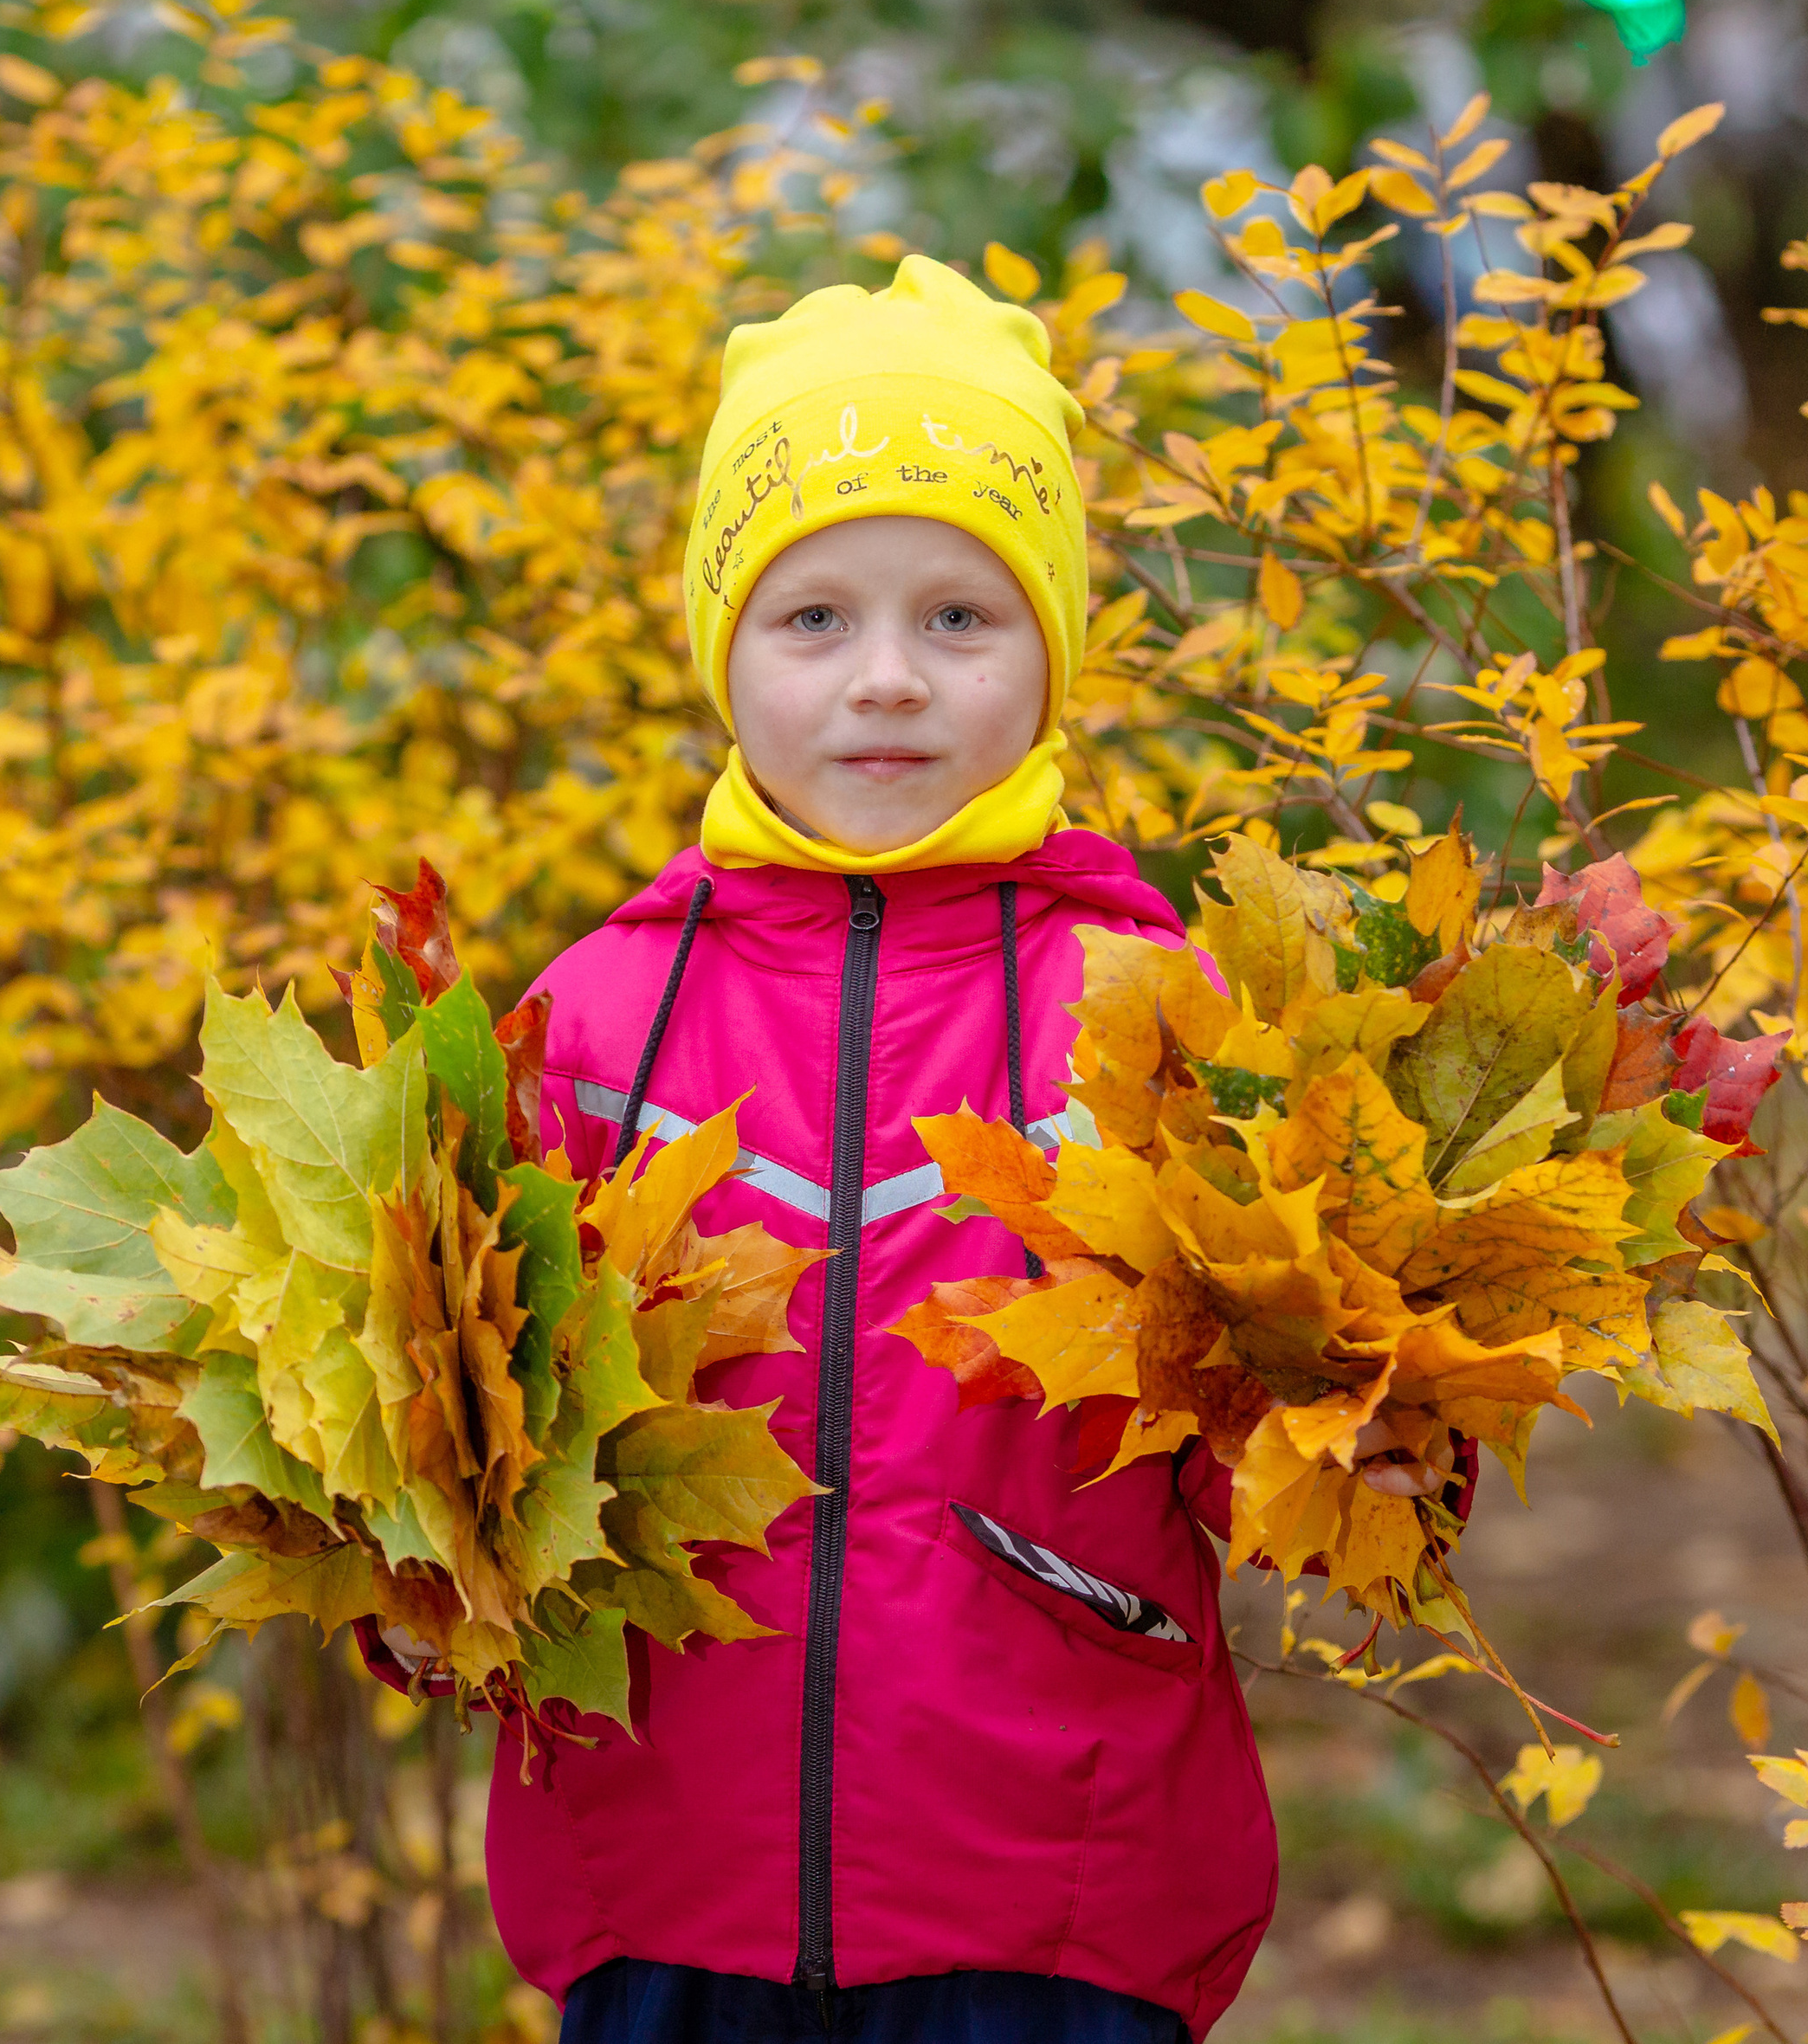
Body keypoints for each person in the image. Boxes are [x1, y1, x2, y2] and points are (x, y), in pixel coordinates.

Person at [384, 258, 1279, 2042]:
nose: (885, 681)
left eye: (960, 615)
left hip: (1056, 1889)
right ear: (725, 645)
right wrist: (408, 1555)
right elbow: (451, 1396)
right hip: (658, 1885)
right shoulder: (594, 1019)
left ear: (1055, 645)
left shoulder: (1157, 1008)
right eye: (813, 620)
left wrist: (1385, 1442)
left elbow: (1298, 1381)